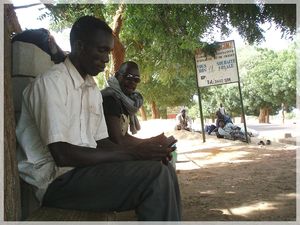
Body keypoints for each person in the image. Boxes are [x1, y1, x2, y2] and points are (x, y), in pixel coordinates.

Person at [16, 16, 181, 221]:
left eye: (109, 52)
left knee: (164, 168)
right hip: (56, 182)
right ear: (79, 46)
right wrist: (133, 154)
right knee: (155, 178)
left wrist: (146, 151)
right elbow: (63, 155)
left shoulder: (91, 88)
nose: (106, 59)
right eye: (101, 50)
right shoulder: (51, 84)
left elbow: (101, 142)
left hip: (84, 171)